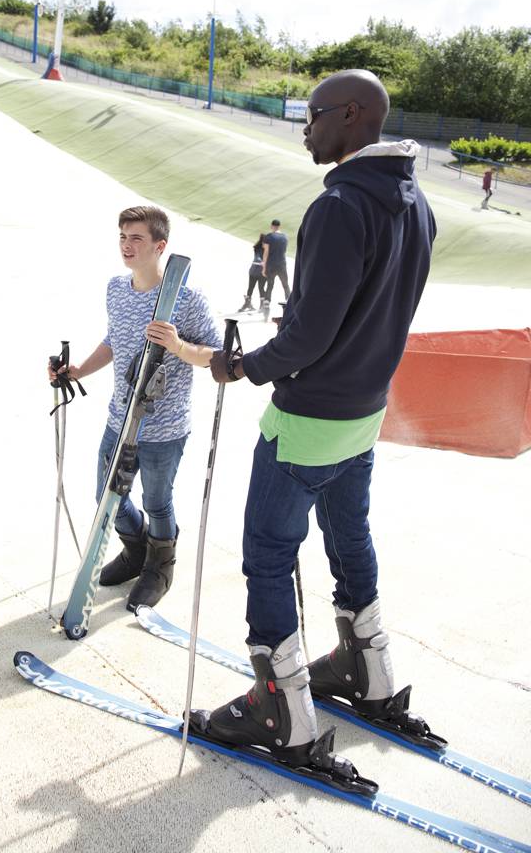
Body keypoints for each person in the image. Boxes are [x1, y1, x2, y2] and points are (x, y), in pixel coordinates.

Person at [205, 69, 436, 766]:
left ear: (354, 115)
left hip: (308, 418)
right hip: (364, 412)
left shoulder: (338, 206)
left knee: (268, 557)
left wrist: (241, 366)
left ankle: (283, 709)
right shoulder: (416, 203)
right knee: (348, 537)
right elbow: (369, 311)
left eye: (314, 114)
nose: (305, 126)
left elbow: (308, 339)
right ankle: (369, 672)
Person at [54, 205, 221, 610]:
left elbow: (216, 357)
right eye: (123, 238)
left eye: (137, 239)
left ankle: (160, 566)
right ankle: (137, 551)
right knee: (105, 495)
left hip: (165, 428)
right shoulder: (116, 288)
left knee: (157, 501)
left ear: (160, 246)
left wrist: (178, 346)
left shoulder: (188, 298)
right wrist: (77, 372)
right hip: (119, 418)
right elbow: (113, 341)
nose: (127, 246)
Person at [261, 219, 290, 309]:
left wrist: (263, 267)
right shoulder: (285, 237)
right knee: (285, 284)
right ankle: (289, 299)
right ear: (279, 226)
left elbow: (266, 252)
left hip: (271, 264)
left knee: (270, 284)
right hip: (282, 263)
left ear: (272, 226)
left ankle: (267, 301)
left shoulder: (268, 237)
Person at [240, 234, 266, 311]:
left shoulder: (259, 247)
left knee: (253, 288)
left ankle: (249, 304)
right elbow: (257, 257)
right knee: (258, 288)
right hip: (259, 271)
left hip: (254, 271)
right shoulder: (259, 248)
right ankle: (257, 305)